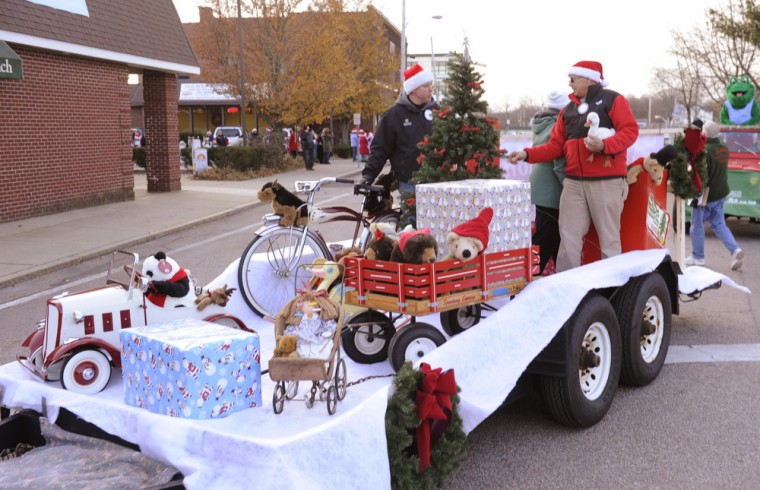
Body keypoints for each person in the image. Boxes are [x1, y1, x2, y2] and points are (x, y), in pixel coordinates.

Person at [507, 60, 639, 272]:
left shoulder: (614, 100)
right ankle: (567, 291)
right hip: (574, 184)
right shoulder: (567, 110)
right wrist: (526, 154)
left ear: (589, 79)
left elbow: (630, 131)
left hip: (606, 182)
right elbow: (554, 147)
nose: (570, 84)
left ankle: (614, 292)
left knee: (609, 240)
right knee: (568, 239)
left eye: (573, 79)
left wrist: (605, 145)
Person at [361, 63, 437, 192]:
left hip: (438, 182)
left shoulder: (438, 112)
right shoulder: (394, 116)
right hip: (409, 183)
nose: (430, 88)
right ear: (413, 89)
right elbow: (380, 148)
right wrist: (369, 175)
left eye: (431, 84)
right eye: (425, 85)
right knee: (411, 214)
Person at [686, 121, 744, 270]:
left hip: (706, 196)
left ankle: (698, 257)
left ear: (704, 133)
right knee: (719, 225)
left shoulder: (705, 151)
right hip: (721, 192)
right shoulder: (724, 147)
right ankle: (735, 250)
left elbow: (702, 176)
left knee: (697, 226)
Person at [530, 90, 570, 275]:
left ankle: (555, 280)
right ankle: (529, 278)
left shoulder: (541, 124)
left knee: (552, 239)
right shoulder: (557, 126)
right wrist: (570, 187)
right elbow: (559, 163)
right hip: (552, 190)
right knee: (546, 240)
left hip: (540, 188)